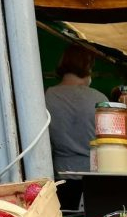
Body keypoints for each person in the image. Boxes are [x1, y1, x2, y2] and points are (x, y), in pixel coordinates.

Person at [45, 44, 107, 174]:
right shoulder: (99, 98)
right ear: (88, 66)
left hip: (58, 172)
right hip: (93, 173)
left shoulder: (46, 96)